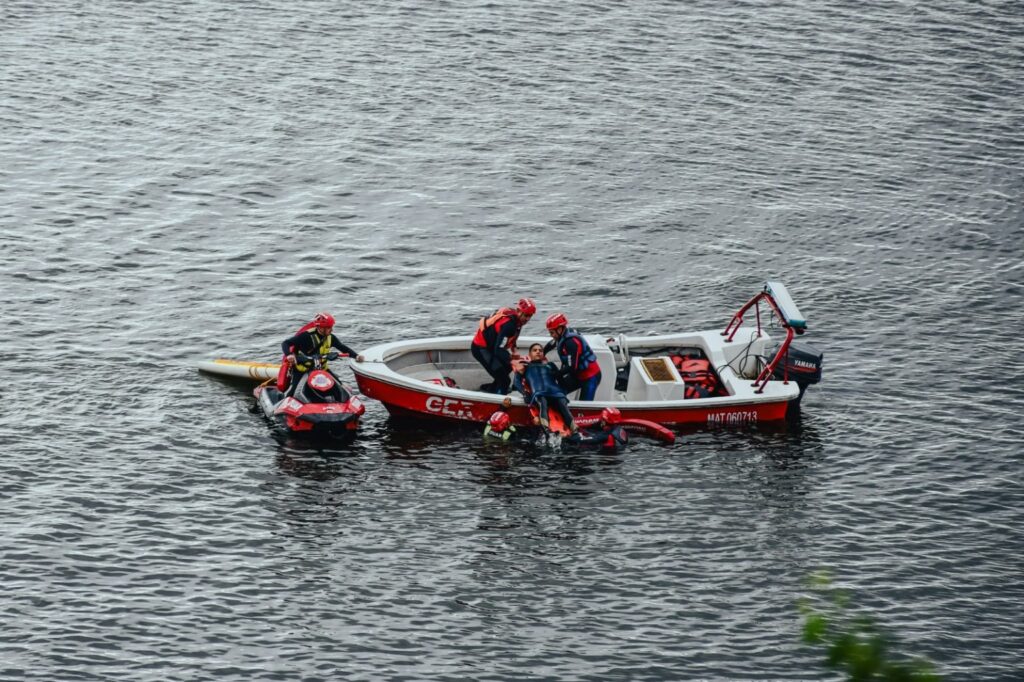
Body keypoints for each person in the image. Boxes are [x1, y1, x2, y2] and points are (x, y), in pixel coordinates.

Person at [281, 312, 363, 396]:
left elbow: (343, 348)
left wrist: (356, 356)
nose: (331, 330)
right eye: (328, 327)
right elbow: (286, 343)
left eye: (331, 327)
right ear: (319, 327)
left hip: (322, 369)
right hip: (302, 370)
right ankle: (286, 399)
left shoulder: (331, 337)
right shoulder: (306, 336)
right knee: (293, 392)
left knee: (340, 388)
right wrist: (289, 355)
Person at [471, 297, 536, 395]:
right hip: (481, 349)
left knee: (507, 367)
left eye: (530, 316)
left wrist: (514, 352)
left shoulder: (516, 319)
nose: (527, 319)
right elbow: (498, 350)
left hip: (491, 346)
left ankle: (493, 388)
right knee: (505, 381)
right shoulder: (510, 325)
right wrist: (513, 360)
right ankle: (501, 402)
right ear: (518, 311)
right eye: (526, 315)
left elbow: (507, 339)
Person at [513, 343, 578, 435]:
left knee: (562, 404)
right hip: (540, 393)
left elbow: (561, 380)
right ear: (530, 354)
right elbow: (516, 382)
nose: (538, 352)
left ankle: (575, 431)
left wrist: (564, 392)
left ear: (543, 354)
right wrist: (524, 393)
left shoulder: (550, 365)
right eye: (535, 350)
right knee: (542, 402)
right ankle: (546, 431)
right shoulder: (525, 366)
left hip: (556, 393)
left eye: (540, 350)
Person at [542, 312, 602, 401]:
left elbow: (572, 367)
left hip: (590, 377)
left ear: (559, 329)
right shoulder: (562, 335)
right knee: (557, 392)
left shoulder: (570, 343)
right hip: (578, 375)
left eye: (552, 332)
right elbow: (551, 344)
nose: (551, 335)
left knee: (584, 405)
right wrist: (542, 354)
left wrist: (555, 374)